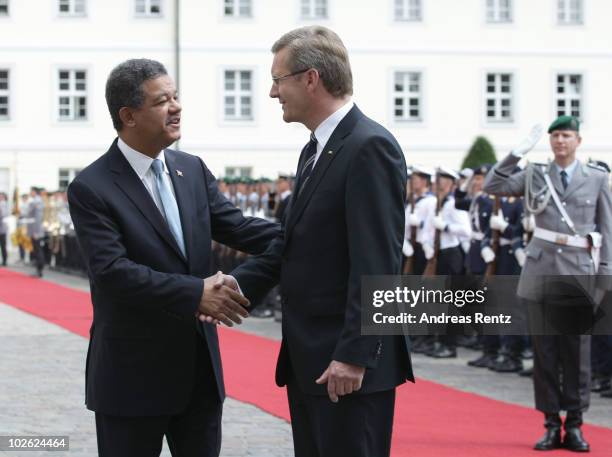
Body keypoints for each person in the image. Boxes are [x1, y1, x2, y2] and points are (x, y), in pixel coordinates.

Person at [67, 58, 279, 457]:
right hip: (131, 379)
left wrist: (309, 233)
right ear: (128, 115)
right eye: (162, 100)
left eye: (176, 96)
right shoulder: (91, 187)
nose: (176, 107)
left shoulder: (192, 170)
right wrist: (195, 292)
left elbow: (241, 228)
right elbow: (112, 272)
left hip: (198, 375)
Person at [224, 26, 413, 457]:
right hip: (312, 357)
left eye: (278, 79)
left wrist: (355, 355)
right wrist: (238, 287)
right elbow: (296, 244)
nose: (273, 92)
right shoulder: (316, 149)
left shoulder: (369, 146)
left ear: (310, 78)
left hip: (345, 366)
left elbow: (377, 261)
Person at [484, 116, 612, 452]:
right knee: (546, 355)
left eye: (566, 135)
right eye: (555, 136)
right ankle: (551, 424)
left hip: (579, 274)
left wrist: (605, 278)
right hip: (541, 273)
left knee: (577, 355)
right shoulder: (535, 174)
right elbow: (493, 187)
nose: (559, 141)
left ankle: (576, 425)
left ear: (578, 140)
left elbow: (607, 229)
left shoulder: (597, 179)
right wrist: (515, 154)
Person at [25, 187, 45, 277]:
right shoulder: (35, 201)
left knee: (38, 250)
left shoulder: (37, 201)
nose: (30, 193)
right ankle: (38, 269)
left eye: (31, 191)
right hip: (33, 229)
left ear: (34, 192)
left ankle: (39, 270)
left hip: (36, 230)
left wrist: (36, 232)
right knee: (36, 250)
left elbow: (38, 218)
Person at [0, 192, 8, 266]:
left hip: (2, 228)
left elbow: (3, 215)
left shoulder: (4, 204)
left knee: (3, 245)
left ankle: (4, 260)